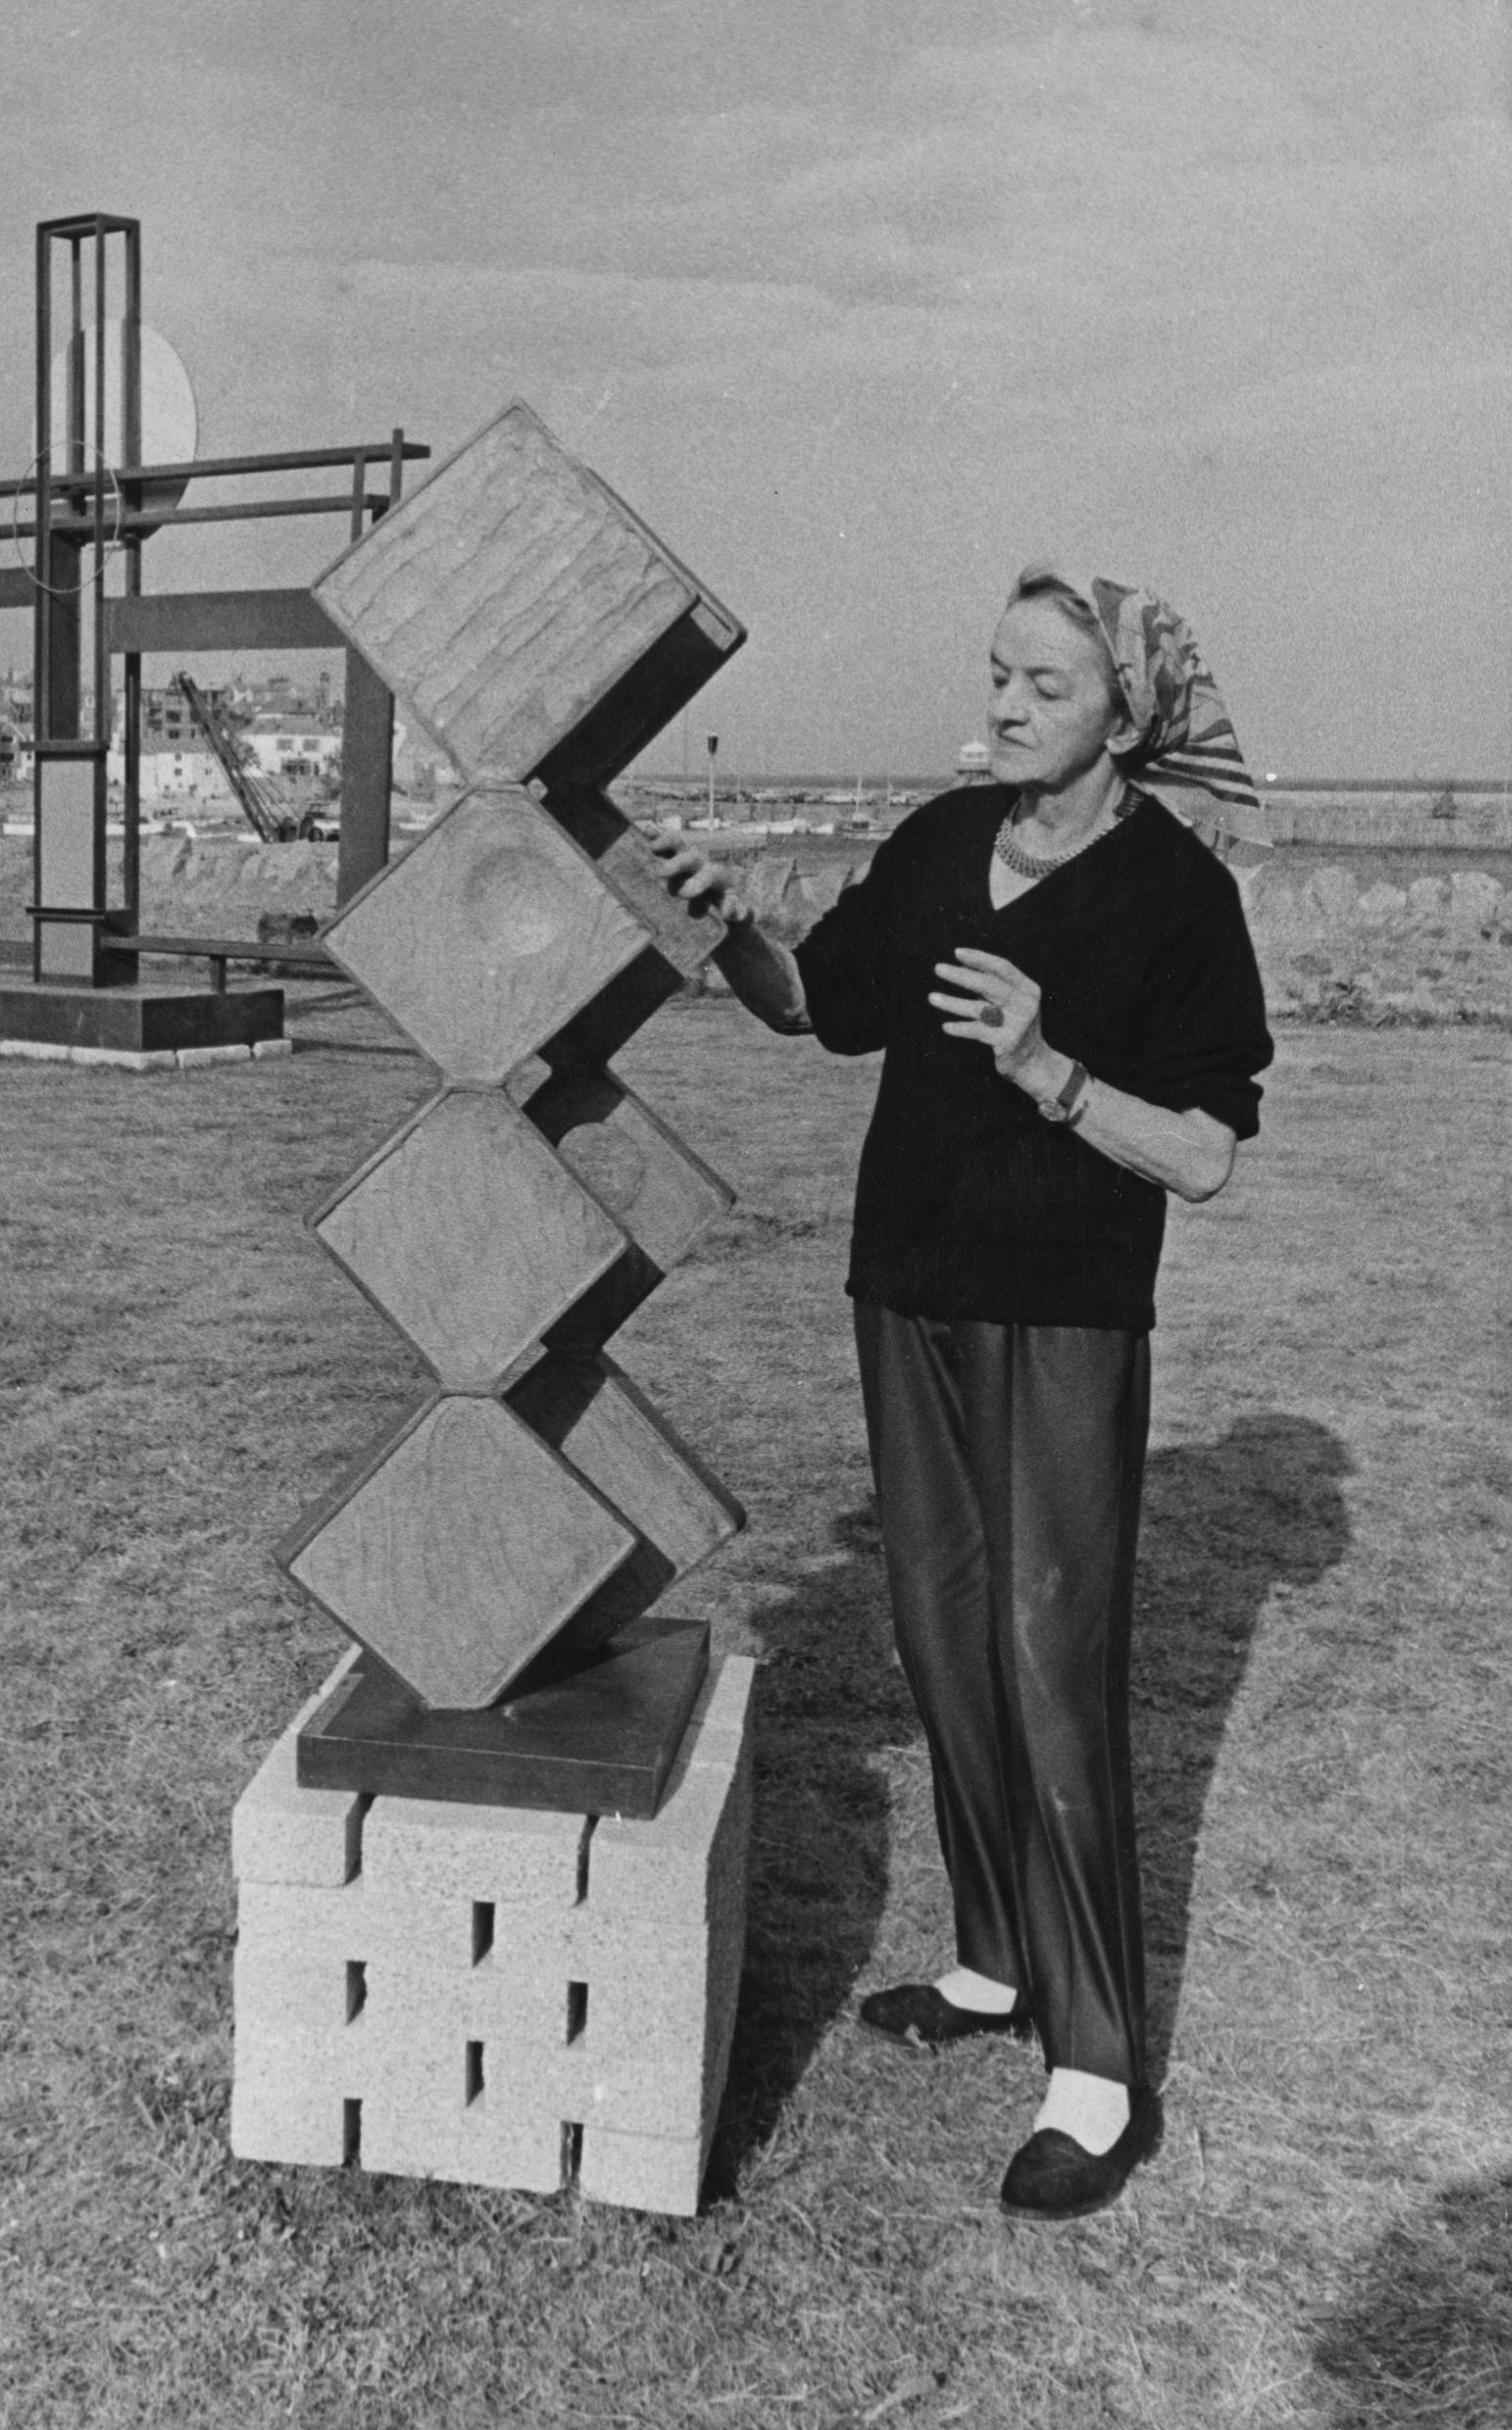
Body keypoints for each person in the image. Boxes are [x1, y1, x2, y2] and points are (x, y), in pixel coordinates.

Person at [649, 568, 1273, 2221]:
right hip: (904, 1290)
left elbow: (1205, 1153)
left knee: (1049, 1658)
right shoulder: (939, 842)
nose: (1001, 705)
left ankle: (1096, 2063)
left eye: (1043, 685)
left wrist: (1046, 1069)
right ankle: (994, 1962)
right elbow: (821, 1008)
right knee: (939, 1637)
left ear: (1120, 716)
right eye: (996, 672)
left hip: (1060, 1315)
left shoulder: (1171, 897)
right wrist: (729, 931)